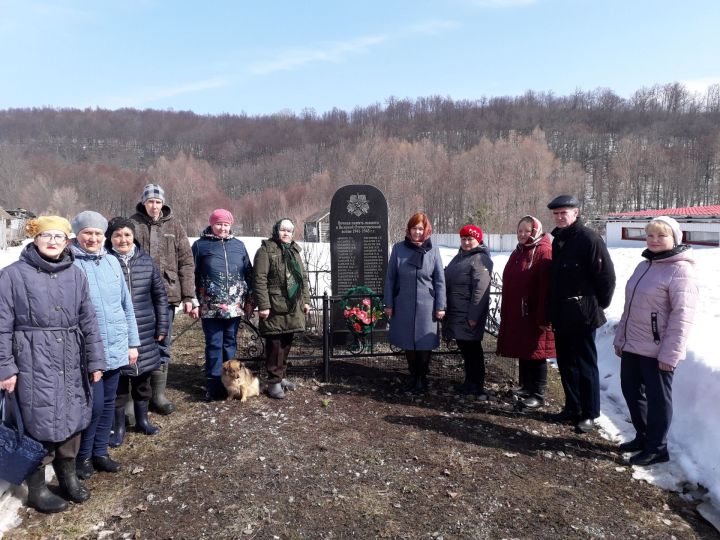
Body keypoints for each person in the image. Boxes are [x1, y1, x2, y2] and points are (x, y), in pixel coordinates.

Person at [0, 216, 106, 513]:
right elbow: (1, 325)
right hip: (31, 359)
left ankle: (68, 475)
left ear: (66, 241)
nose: (52, 241)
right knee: (37, 419)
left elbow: (89, 320)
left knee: (72, 415)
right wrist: (5, 367)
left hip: (71, 356)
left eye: (58, 237)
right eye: (46, 236)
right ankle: (36, 489)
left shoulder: (76, 274)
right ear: (34, 239)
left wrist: (96, 359)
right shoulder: (11, 275)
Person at [613, 216, 697, 466]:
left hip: (658, 349)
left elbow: (683, 316)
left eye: (661, 236)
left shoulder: (680, 270)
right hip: (633, 344)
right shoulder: (645, 265)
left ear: (674, 238)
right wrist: (621, 338)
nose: (654, 240)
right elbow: (630, 307)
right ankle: (643, 436)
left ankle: (658, 447)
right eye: (650, 235)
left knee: (658, 400)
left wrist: (670, 354)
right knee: (630, 390)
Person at [70, 211, 140, 479]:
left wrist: (132, 342)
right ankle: (82, 456)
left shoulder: (111, 262)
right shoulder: (71, 265)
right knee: (94, 404)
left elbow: (126, 305)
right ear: (77, 234)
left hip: (116, 343)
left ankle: (101, 452)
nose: (93, 238)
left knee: (109, 402)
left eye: (98, 234)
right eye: (88, 233)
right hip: (90, 348)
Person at [546, 195, 616, 433]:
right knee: (565, 362)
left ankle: (589, 413)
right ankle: (572, 407)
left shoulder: (589, 239)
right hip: (562, 312)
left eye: (564, 212)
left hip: (584, 312)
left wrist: (596, 304)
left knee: (585, 364)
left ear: (576, 213)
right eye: (556, 213)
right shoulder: (558, 240)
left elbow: (606, 277)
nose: (559, 217)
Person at [131, 183, 196, 416]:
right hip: (137, 296)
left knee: (162, 344)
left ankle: (157, 395)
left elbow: (186, 261)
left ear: (163, 203)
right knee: (135, 344)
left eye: (158, 202)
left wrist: (188, 295)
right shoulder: (133, 224)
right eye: (150, 202)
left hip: (167, 295)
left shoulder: (175, 226)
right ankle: (133, 397)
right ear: (144, 203)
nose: (155, 206)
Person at [105, 217, 169, 446]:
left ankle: (143, 420)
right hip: (116, 332)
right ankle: (119, 427)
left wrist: (162, 325)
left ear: (134, 237)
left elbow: (160, 296)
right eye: (118, 235)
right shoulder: (105, 261)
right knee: (119, 382)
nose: (123, 240)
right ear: (110, 238)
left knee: (143, 379)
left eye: (127, 235)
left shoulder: (146, 261)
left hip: (145, 330)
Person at [192, 209, 254, 401]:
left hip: (234, 307)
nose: (223, 228)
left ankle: (232, 385)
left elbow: (248, 274)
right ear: (211, 224)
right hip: (210, 307)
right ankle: (213, 386)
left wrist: (250, 300)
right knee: (214, 345)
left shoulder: (239, 246)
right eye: (219, 224)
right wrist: (194, 301)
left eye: (226, 224)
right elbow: (190, 274)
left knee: (230, 344)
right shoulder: (200, 246)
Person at [496, 216, 555, 409]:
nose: (522, 234)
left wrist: (543, 314)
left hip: (534, 313)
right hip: (520, 312)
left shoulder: (543, 251)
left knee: (536, 352)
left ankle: (538, 393)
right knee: (525, 350)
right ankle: (526, 386)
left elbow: (546, 285)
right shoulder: (520, 251)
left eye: (527, 231)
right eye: (520, 231)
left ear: (535, 231)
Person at [384, 212, 446, 394]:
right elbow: (390, 279)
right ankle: (412, 375)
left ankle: (422, 377)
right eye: (414, 228)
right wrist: (389, 303)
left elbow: (439, 280)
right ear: (408, 230)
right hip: (403, 303)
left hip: (427, 306)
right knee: (408, 343)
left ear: (426, 230)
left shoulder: (433, 251)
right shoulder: (398, 249)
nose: (417, 232)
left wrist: (440, 306)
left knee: (424, 343)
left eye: (421, 228)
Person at [253, 218, 310, 399]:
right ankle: (273, 382)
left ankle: (281, 376)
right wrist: (263, 305)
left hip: (293, 305)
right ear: (276, 230)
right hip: (274, 306)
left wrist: (306, 301)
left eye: (289, 231)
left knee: (286, 342)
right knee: (275, 345)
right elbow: (259, 279)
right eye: (283, 230)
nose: (286, 234)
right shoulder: (265, 250)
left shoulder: (294, 251)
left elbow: (303, 278)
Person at [443, 224, 493, 398]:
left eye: (470, 239)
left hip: (469, 314)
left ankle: (477, 384)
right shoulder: (460, 257)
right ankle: (469, 381)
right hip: (457, 312)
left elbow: (481, 289)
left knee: (473, 350)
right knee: (466, 349)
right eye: (463, 238)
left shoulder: (480, 259)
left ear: (478, 240)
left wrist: (474, 315)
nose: (466, 242)